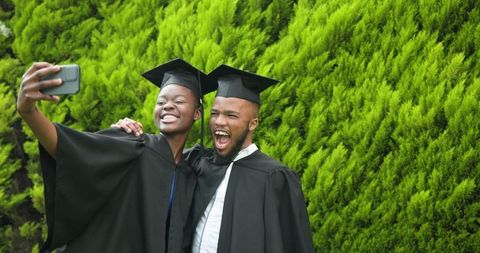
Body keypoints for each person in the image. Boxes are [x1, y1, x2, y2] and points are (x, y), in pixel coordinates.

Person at [16, 59, 214, 253]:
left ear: (197, 113)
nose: (168, 106)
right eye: (161, 101)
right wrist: (28, 111)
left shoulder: (190, 172)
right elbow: (69, 149)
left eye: (179, 101)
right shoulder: (132, 144)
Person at [117, 64, 315, 253]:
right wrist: (123, 132)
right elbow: (156, 160)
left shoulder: (274, 177)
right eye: (214, 113)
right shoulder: (197, 163)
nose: (220, 121)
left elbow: (292, 243)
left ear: (253, 124)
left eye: (231, 115)